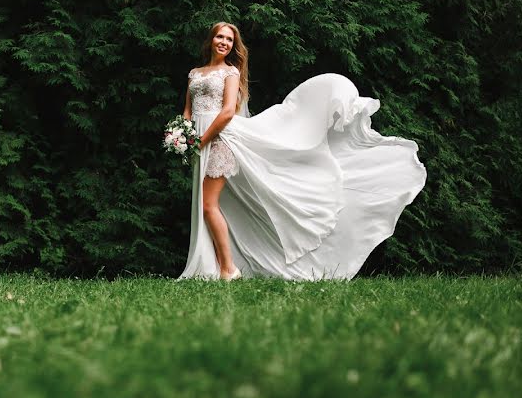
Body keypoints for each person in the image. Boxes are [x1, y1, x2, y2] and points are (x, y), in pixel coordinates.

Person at [179, 22, 427, 281]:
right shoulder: (195, 73)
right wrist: (182, 135)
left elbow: (229, 110)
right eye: (220, 37)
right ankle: (215, 265)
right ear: (211, 40)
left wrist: (202, 140)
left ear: (233, 46)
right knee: (210, 203)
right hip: (198, 138)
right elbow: (188, 109)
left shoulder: (230, 73)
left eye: (229, 39)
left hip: (219, 139)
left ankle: (229, 269)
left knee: (208, 205)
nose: (224, 42)